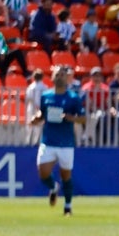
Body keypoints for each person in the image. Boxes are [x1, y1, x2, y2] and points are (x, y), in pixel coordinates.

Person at [29, 65, 86, 216]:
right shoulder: (46, 96)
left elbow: (83, 118)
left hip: (66, 142)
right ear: (52, 78)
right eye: (57, 74)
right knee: (43, 172)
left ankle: (68, 207)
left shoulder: (73, 98)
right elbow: (43, 113)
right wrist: (37, 119)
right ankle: (54, 187)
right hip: (48, 140)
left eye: (62, 74)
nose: (60, 76)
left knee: (66, 175)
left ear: (67, 78)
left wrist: (71, 118)